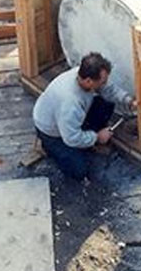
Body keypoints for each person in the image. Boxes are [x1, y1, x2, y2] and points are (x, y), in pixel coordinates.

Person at [33, 51, 119, 181]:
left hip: (65, 120)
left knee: (106, 105)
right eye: (102, 82)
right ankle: (46, 146)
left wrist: (128, 100)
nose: (104, 84)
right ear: (89, 81)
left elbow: (107, 88)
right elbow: (71, 138)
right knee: (79, 170)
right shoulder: (70, 102)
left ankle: (88, 140)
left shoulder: (82, 74)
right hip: (51, 132)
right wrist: (97, 137)